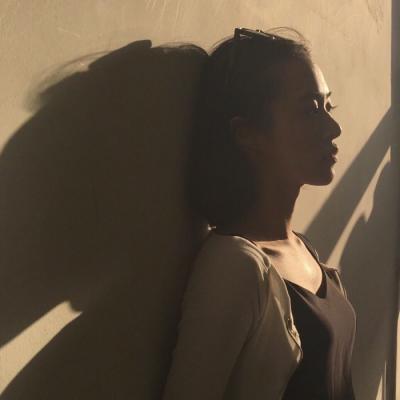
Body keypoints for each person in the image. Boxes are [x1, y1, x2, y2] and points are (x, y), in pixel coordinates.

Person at [162, 28, 356, 400]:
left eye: (328, 107)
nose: (334, 128)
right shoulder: (233, 266)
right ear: (248, 133)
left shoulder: (304, 249)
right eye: (309, 109)